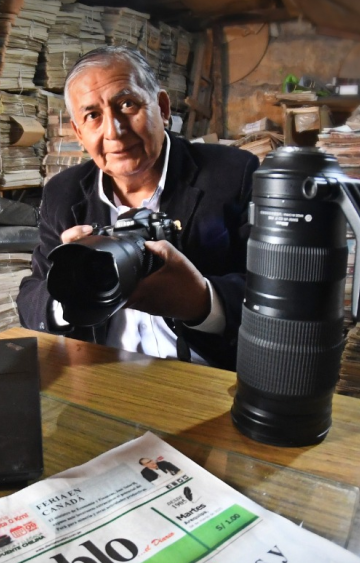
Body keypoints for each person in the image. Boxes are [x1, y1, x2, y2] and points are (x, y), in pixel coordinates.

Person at [17, 46, 258, 370]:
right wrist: (70, 295)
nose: (114, 131)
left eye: (127, 104)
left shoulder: (233, 174)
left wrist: (202, 301)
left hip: (207, 376)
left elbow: (279, 294)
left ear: (162, 108)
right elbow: (31, 296)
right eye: (93, 116)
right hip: (103, 371)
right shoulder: (65, 193)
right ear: (78, 133)